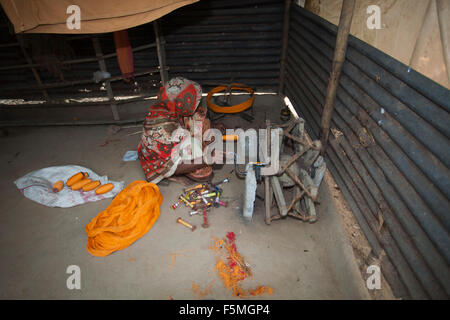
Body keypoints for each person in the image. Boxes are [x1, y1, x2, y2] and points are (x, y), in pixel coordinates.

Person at [138, 77, 213, 184]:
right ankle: (180, 173)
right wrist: (206, 159)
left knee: (198, 118)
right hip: (160, 161)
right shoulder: (162, 126)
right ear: (181, 101)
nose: (196, 102)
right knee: (203, 169)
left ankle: (194, 158)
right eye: (193, 100)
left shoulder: (168, 106)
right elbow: (167, 165)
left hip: (169, 141)